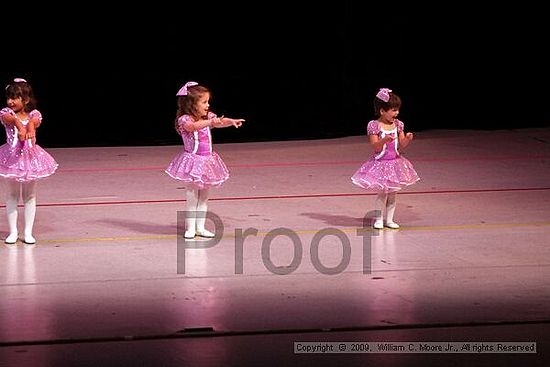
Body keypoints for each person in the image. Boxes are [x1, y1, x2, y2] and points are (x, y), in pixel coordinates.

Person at [165, 81, 245, 239]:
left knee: (203, 197)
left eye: (208, 101)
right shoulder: (184, 119)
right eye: (204, 102)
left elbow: (219, 122)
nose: (208, 105)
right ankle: (190, 228)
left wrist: (231, 122)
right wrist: (210, 122)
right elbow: (193, 127)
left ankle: (200, 227)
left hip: (207, 161)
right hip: (193, 161)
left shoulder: (207, 116)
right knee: (192, 196)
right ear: (191, 104)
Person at [0, 78, 58, 244]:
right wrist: (19, 124)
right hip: (11, 159)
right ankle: (13, 232)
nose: (9, 101)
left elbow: (35, 121)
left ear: (25, 99)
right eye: (8, 97)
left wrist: (30, 127)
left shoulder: (34, 114)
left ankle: (27, 232)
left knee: (30, 196)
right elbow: (8, 119)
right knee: (12, 195)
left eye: (14, 98)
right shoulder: (6, 113)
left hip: (30, 160)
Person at [351, 88, 419, 229]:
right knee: (382, 193)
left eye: (397, 110)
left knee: (393, 193)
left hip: (394, 163)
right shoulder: (374, 126)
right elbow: (375, 147)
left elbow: (402, 145)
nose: (397, 113)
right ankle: (378, 219)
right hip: (381, 164)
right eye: (393, 110)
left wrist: (407, 139)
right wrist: (385, 140)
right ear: (382, 111)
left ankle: (389, 220)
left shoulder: (398, 125)